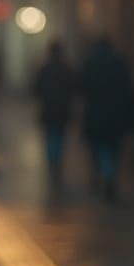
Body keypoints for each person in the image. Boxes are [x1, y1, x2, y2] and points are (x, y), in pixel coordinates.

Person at [79, 35, 134, 201]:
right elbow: (128, 89)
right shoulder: (120, 63)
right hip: (116, 114)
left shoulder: (90, 63)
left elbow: (82, 87)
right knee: (113, 148)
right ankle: (109, 176)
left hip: (96, 113)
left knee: (97, 148)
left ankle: (99, 174)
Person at [33, 39, 74, 193]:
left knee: (51, 137)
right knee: (59, 137)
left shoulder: (45, 69)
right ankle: (57, 162)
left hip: (49, 110)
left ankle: (53, 162)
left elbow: (36, 89)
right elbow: (72, 89)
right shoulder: (66, 69)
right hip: (62, 111)